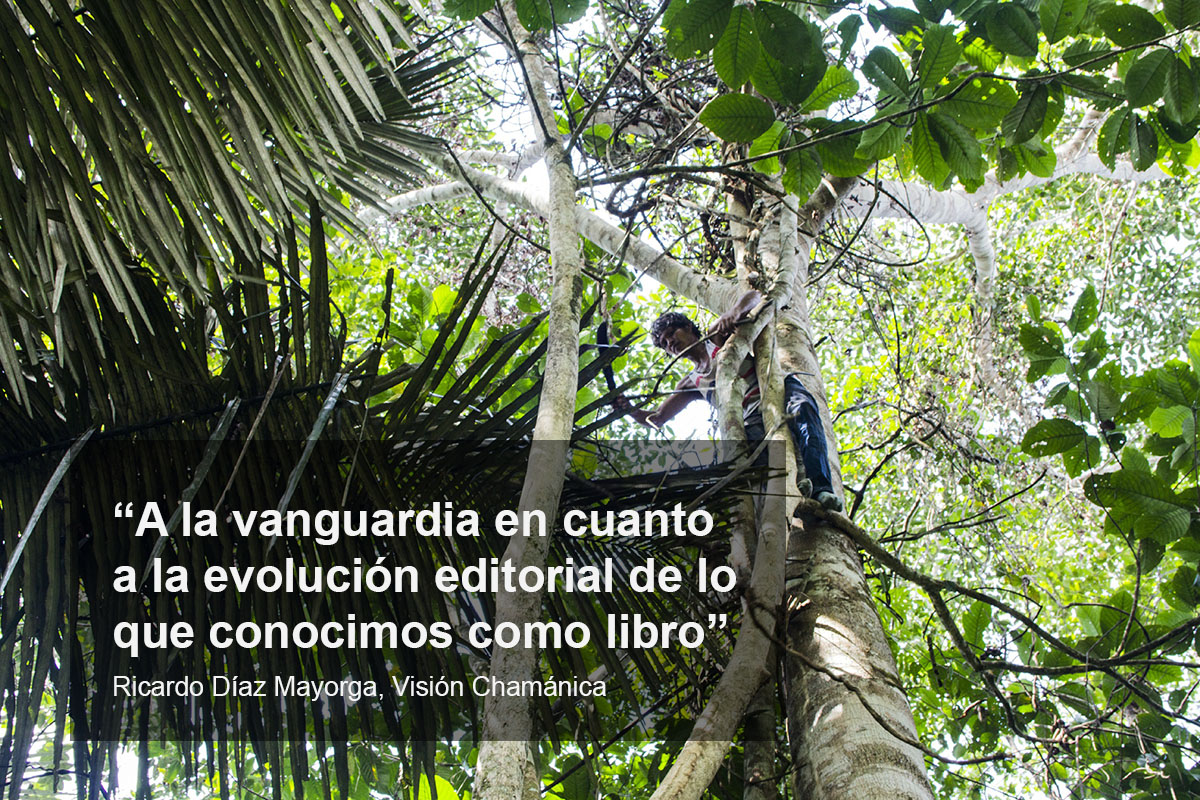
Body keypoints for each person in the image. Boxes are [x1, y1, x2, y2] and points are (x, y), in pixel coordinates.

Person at [615, 291, 842, 512]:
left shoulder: (715, 337)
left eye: (672, 333)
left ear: (688, 327)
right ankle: (795, 497)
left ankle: (821, 489)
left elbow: (754, 296)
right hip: (751, 417)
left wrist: (733, 313)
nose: (670, 342)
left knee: (804, 412)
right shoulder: (691, 382)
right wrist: (628, 410)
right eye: (664, 343)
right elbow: (657, 418)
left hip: (779, 388)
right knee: (752, 456)